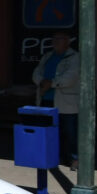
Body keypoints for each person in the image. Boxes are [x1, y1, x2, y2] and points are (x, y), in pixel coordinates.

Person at [31, 30, 79, 168]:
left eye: (60, 38)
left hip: (66, 104)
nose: (56, 41)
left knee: (69, 133)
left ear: (67, 41)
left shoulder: (75, 57)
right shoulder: (48, 56)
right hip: (46, 100)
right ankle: (51, 157)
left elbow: (70, 78)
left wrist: (51, 83)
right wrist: (42, 82)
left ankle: (73, 159)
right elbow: (36, 73)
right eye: (54, 38)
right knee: (48, 132)